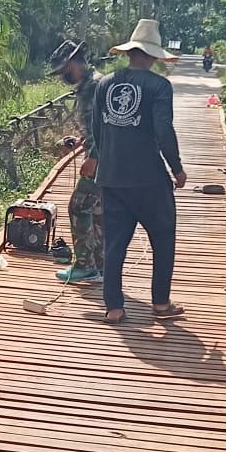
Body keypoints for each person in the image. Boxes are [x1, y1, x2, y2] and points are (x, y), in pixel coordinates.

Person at [90, 19, 188, 325]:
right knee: (163, 237)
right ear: (154, 56)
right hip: (149, 180)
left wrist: (100, 161)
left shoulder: (104, 83)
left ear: (130, 52)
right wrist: (177, 168)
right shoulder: (159, 86)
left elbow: (96, 131)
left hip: (112, 178)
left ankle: (114, 307)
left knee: (114, 243)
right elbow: (163, 129)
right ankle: (160, 303)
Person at [47, 39, 104, 285]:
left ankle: (84, 265)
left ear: (74, 62)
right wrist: (81, 140)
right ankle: (100, 266)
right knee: (98, 212)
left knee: (78, 206)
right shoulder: (89, 85)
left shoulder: (95, 86)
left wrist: (93, 157)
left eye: (64, 70)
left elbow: (104, 127)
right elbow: (94, 126)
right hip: (103, 156)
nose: (63, 77)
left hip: (101, 159)